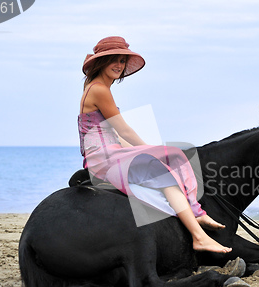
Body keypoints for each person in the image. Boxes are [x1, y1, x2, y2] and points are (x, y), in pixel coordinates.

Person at [78, 36, 232, 254]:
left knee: (169, 158)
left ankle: (197, 213)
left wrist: (144, 151)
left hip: (103, 154)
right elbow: (123, 131)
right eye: (114, 59)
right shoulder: (99, 89)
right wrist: (151, 152)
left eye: (122, 61)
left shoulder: (96, 87)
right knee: (166, 170)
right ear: (101, 62)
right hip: (103, 158)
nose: (119, 66)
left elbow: (111, 134)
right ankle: (199, 235)